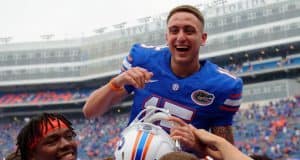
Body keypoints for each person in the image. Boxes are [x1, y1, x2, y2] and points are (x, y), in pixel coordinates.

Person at [83, 4, 243, 154]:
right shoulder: (142, 59)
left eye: (189, 31)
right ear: (167, 37)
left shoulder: (223, 86)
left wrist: (196, 145)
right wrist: (117, 82)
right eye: (174, 31)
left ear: (203, 38)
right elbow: (90, 111)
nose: (181, 37)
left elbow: (225, 154)